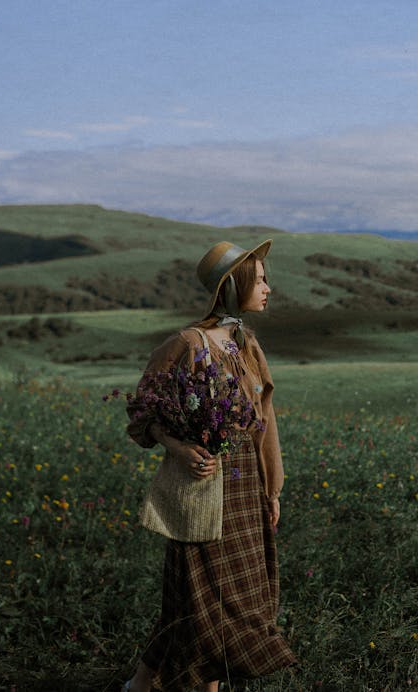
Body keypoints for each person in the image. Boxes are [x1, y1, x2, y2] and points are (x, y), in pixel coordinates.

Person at [122, 240, 297, 692]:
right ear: (232, 286)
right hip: (204, 491)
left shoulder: (247, 344)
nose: (268, 288)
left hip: (246, 488)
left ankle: (141, 686)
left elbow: (265, 422)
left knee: (207, 602)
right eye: (259, 279)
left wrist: (272, 489)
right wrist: (178, 448)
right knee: (207, 603)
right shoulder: (185, 344)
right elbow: (143, 411)